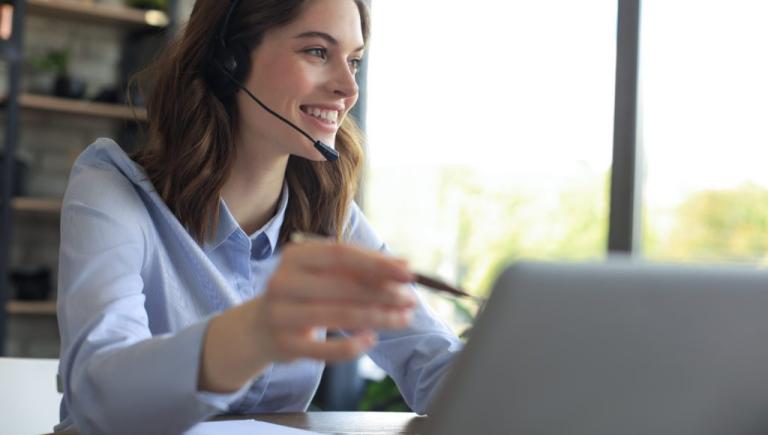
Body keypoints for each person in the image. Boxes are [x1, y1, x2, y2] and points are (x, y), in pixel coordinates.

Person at [55, 0, 462, 433]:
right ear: (227, 60)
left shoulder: (328, 215)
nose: (348, 87)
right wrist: (246, 336)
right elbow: (99, 397)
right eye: (317, 52)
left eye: (355, 61)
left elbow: (431, 360)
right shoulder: (112, 189)